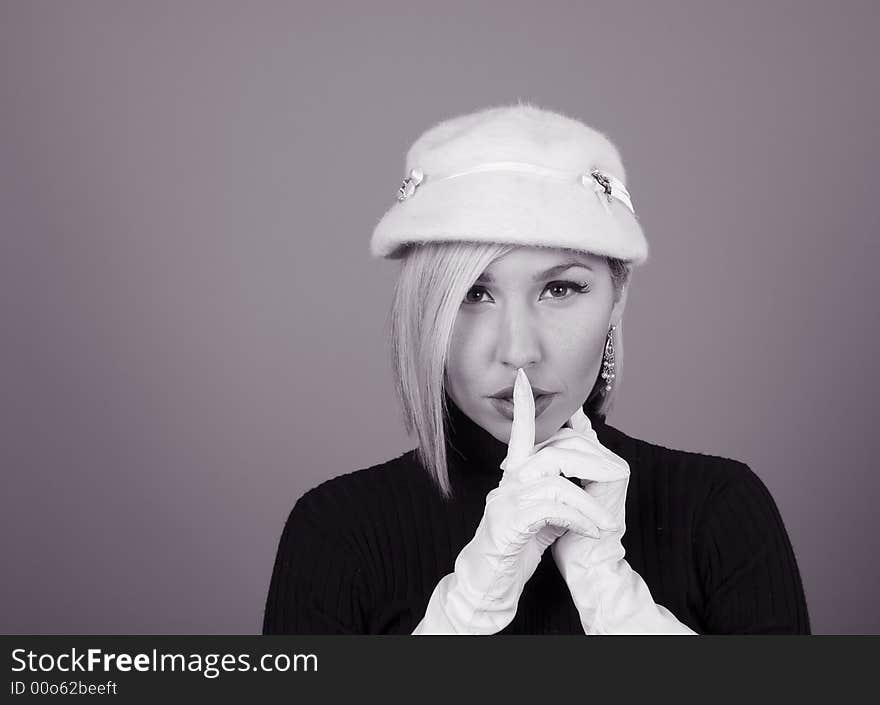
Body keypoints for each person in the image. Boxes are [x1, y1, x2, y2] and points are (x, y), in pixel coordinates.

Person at [261, 103, 811, 634]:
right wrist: (465, 614)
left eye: (561, 288)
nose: (519, 351)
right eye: (473, 293)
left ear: (617, 299)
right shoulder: (336, 530)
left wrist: (616, 604)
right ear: (422, 310)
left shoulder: (720, 509)